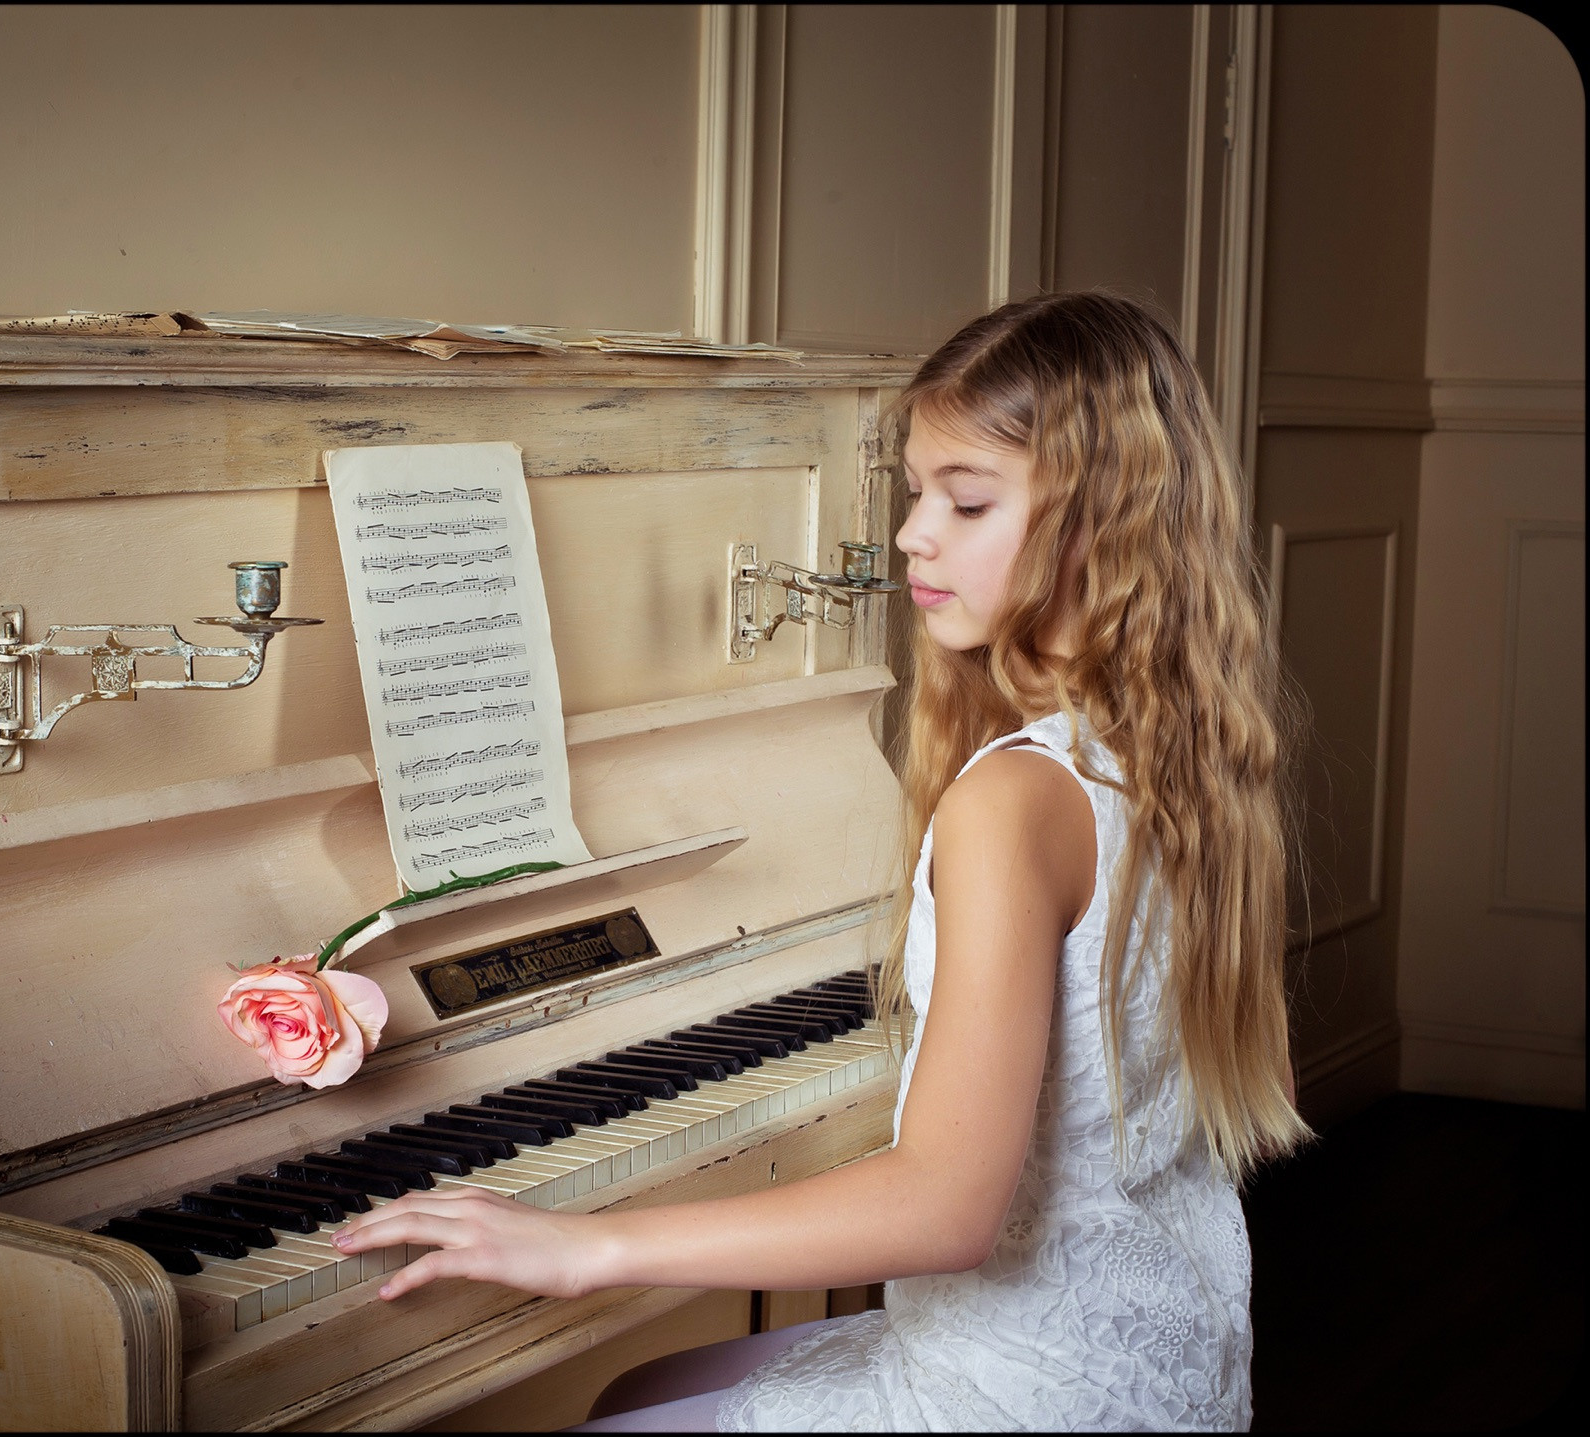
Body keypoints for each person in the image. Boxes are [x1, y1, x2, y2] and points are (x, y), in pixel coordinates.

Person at [332, 292, 1310, 1431]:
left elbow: (948, 1208)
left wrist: (585, 1245)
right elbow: (1235, 1094)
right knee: (637, 1392)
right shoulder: (1195, 759)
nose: (911, 536)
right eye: (913, 493)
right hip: (1167, 1362)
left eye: (968, 499)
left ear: (1108, 525)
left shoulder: (1014, 801)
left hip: (1024, 1394)